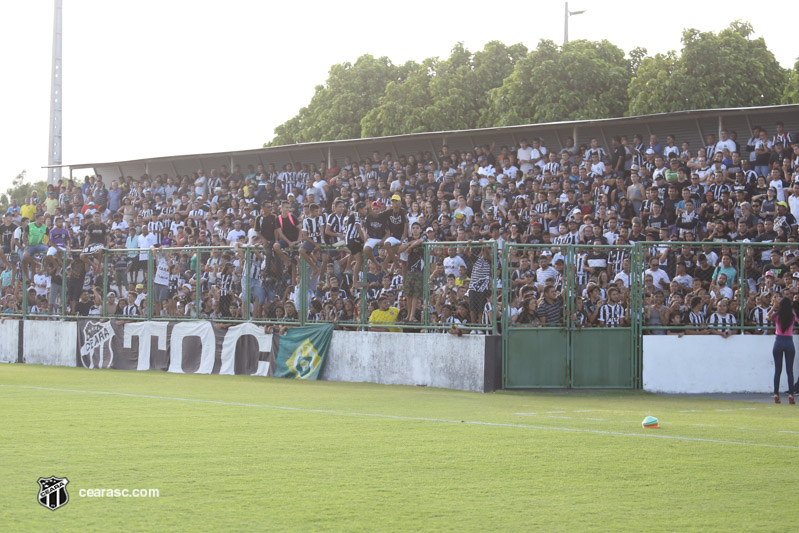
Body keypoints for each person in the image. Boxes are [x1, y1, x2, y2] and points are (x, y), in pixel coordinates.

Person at [766, 296, 797, 404]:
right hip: (789, 341)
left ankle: (776, 394)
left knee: (777, 370)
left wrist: (774, 305)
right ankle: (791, 394)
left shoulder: (777, 315)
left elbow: (767, 317)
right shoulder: (792, 315)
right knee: (790, 371)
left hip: (778, 341)